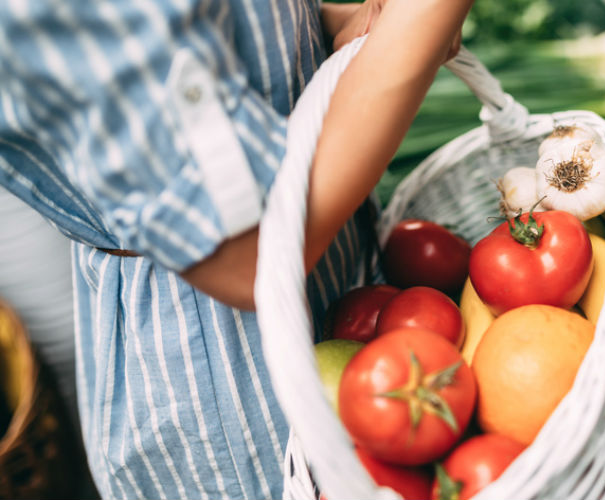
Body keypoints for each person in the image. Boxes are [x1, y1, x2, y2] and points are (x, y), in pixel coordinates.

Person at [0, 0, 472, 498]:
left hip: (341, 264)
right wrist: (426, 16)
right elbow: (250, 259)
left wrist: (311, 24)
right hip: (230, 374)